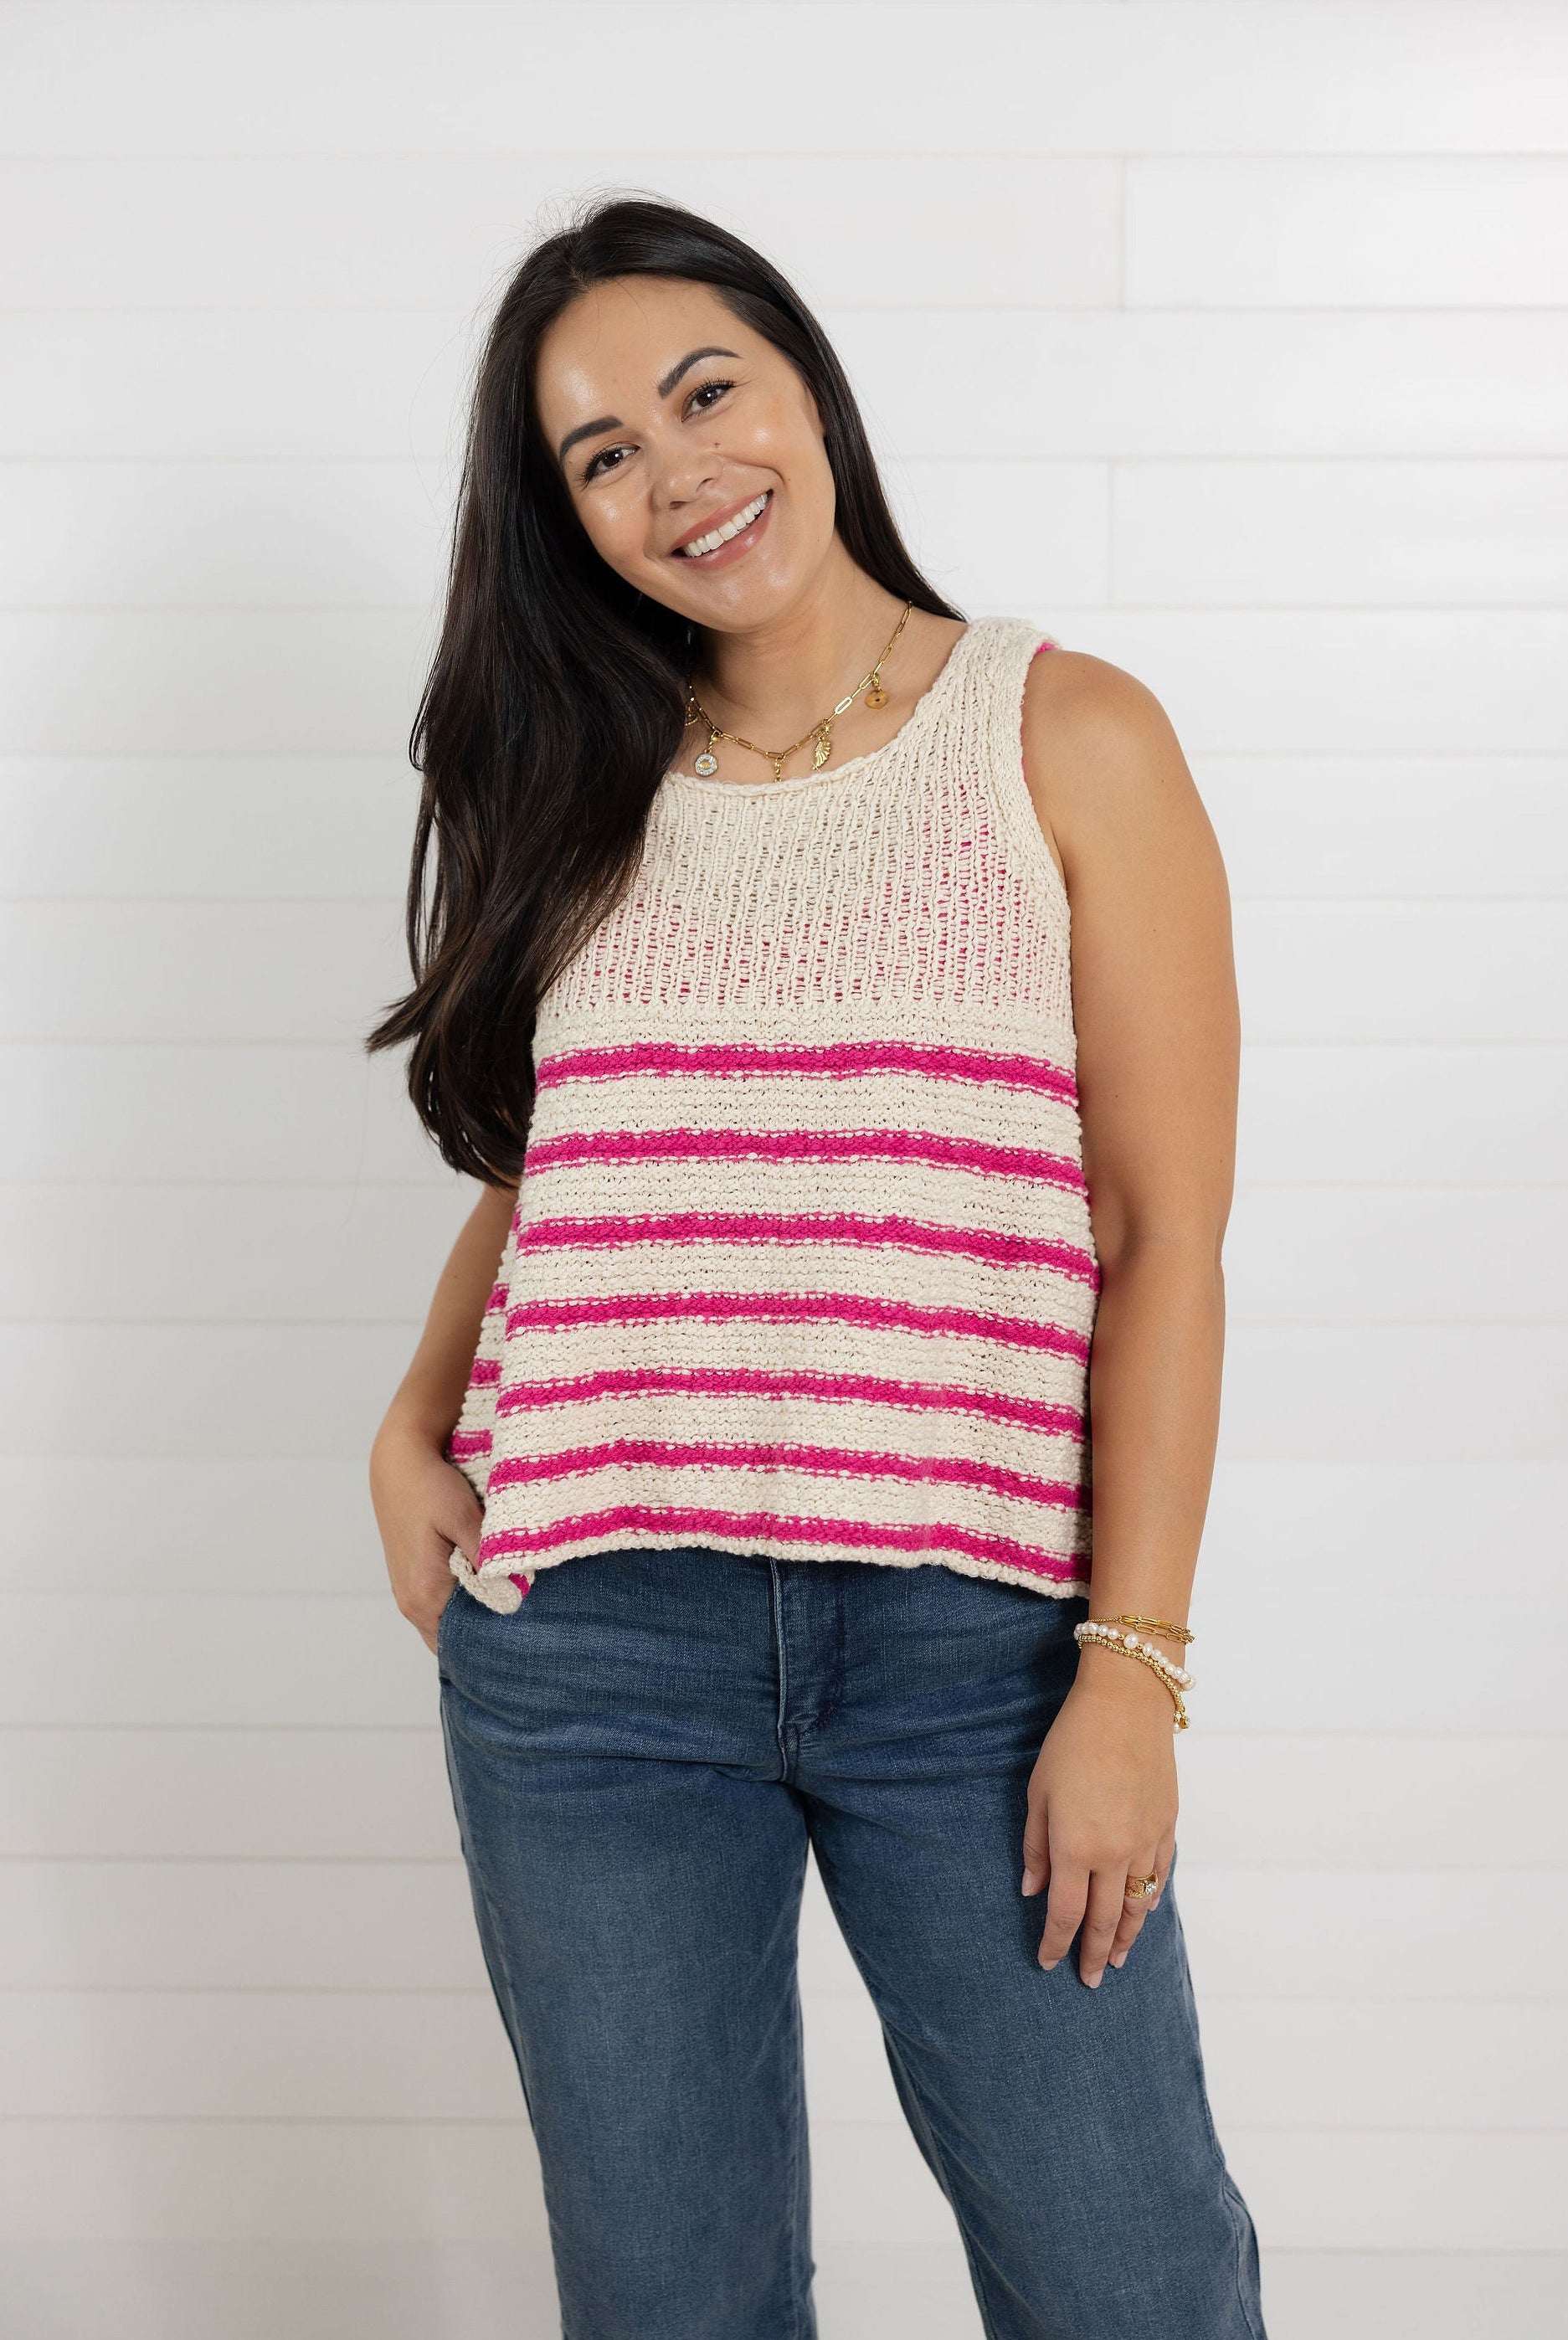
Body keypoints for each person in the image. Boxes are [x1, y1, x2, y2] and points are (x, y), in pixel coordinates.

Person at [368, 194, 1267, 2340]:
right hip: (585, 1655)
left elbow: (1159, 1242)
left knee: (1128, 2278)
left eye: (702, 393)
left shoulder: (1066, 736)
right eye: (599, 456)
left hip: (971, 1653)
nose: (677, 472)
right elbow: (558, 1148)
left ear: (802, 386)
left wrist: (1128, 1667)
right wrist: (414, 1410)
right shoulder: (576, 783)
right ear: (567, 521)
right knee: (669, 2304)